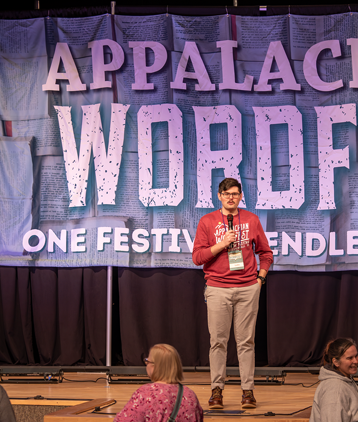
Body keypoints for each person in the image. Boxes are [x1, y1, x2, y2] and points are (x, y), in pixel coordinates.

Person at [192, 178, 273, 410]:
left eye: (235, 194)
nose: (231, 197)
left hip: (247, 288)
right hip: (217, 288)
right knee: (218, 342)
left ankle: (248, 391)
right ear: (219, 196)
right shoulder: (207, 221)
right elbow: (197, 258)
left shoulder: (251, 219)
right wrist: (221, 244)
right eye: (226, 194)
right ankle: (216, 391)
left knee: (246, 342)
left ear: (240, 196)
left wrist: (260, 279)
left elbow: (266, 253)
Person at [114, 343, 203, 422]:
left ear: (155, 366)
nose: (146, 364)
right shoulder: (190, 395)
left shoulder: (144, 394)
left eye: (147, 361)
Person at [310, 338, 358, 422]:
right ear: (336, 362)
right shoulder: (335, 390)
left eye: (356, 356)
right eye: (350, 358)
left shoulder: (345, 379)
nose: (356, 361)